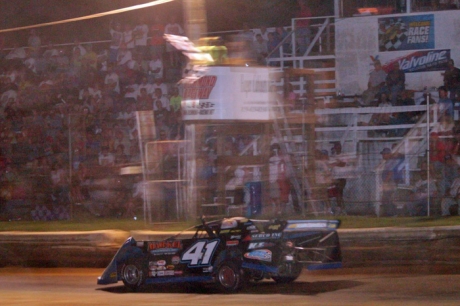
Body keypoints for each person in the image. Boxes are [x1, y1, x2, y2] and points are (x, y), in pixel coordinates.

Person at [380, 147, 404, 216]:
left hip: (389, 182)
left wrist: (385, 182)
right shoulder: (388, 162)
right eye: (383, 154)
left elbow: (390, 173)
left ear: (388, 154)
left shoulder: (391, 161)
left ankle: (392, 213)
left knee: (388, 197)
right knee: (387, 198)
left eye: (384, 154)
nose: (383, 155)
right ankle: (389, 213)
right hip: (388, 182)